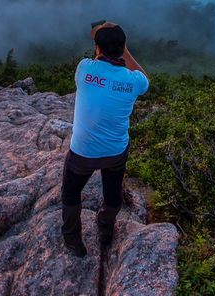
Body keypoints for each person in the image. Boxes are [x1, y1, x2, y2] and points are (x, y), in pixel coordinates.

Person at [61, 21, 149, 257]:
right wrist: (126, 50)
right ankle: (105, 228)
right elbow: (144, 77)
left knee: (71, 192)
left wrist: (101, 30)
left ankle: (72, 239)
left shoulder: (85, 68)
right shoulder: (134, 81)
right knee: (112, 193)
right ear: (122, 48)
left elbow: (95, 42)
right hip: (115, 152)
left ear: (97, 49)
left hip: (83, 152)